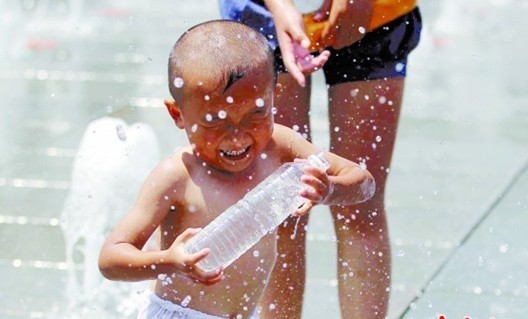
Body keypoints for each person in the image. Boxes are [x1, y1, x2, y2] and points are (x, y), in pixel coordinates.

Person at [98, 20, 375, 319]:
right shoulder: (177, 175)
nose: (237, 135)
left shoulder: (278, 145)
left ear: (272, 96)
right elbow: (110, 258)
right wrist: (168, 261)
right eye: (215, 121)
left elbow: (363, 181)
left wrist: (330, 189)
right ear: (178, 114)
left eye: (255, 114)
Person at [219, 0, 422, 318]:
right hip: (263, 12)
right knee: (280, 207)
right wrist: (281, 6)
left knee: (360, 204)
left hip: (376, 11)